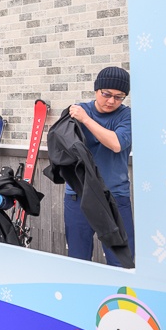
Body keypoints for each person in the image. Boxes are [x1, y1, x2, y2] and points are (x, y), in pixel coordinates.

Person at [64, 66, 133, 266]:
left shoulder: (125, 116)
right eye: (107, 94)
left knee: (122, 262)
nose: (111, 101)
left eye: (119, 97)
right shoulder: (77, 110)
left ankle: (118, 297)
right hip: (78, 194)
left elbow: (116, 143)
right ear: (96, 90)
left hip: (115, 196)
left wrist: (85, 119)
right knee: (78, 260)